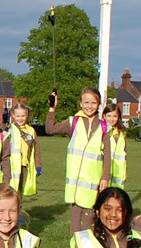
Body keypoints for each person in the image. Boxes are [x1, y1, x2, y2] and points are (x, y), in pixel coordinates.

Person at [46, 88, 112, 233]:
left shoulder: (104, 127)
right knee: (75, 221)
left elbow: (107, 154)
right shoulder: (73, 121)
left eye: (93, 102)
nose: (89, 105)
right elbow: (50, 129)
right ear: (80, 103)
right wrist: (52, 108)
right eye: (86, 102)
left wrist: (105, 177)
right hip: (75, 184)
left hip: (93, 182)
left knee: (89, 220)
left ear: (99, 104)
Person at [7, 103, 41, 197]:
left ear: (27, 115)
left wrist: (38, 165)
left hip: (24, 166)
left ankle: (18, 209)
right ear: (13, 115)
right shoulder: (9, 128)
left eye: (23, 116)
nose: (20, 118)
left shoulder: (31, 130)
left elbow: (36, 149)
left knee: (20, 192)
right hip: (12, 166)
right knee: (10, 191)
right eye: (17, 116)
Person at [102, 103, 127, 189]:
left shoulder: (121, 134)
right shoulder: (101, 131)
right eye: (109, 116)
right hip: (104, 173)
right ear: (104, 116)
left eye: (115, 116)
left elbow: (124, 153)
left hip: (118, 174)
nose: (112, 119)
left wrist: (125, 171)